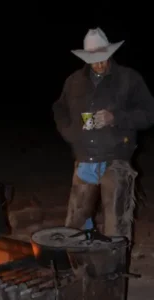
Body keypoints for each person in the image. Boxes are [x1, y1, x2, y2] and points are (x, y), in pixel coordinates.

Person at [52, 27, 154, 244]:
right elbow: (59, 109)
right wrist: (70, 133)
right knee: (75, 224)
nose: (99, 64)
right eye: (94, 59)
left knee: (116, 226)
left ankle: (114, 274)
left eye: (103, 58)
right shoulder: (74, 82)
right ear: (86, 58)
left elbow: (149, 113)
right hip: (84, 160)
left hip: (115, 160)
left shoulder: (129, 79)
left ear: (109, 53)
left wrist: (115, 117)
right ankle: (80, 269)